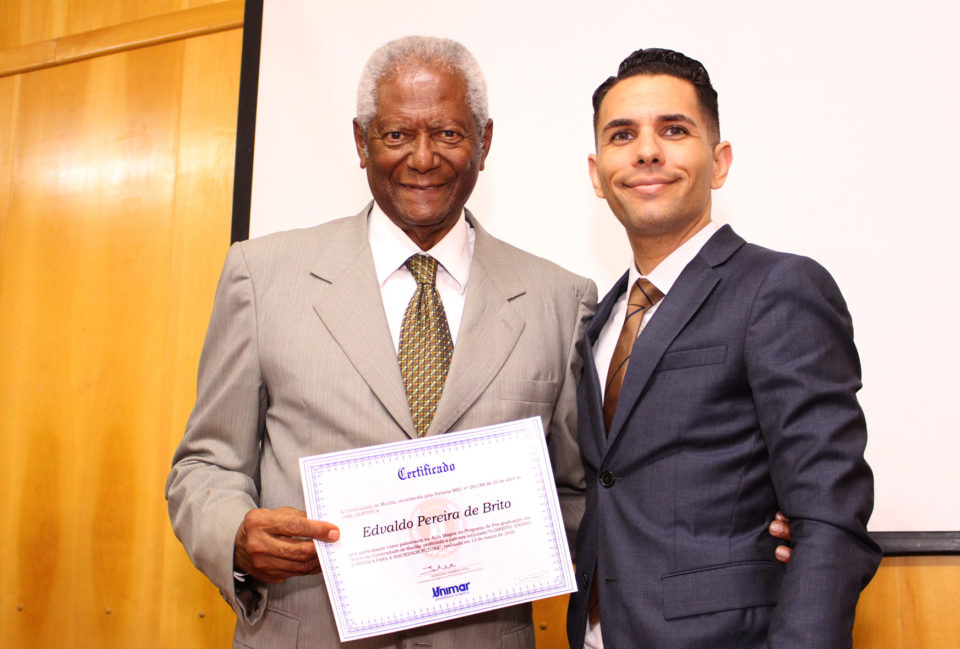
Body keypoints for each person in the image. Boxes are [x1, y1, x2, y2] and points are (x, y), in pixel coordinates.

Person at [165, 36, 596, 648]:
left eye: (448, 133)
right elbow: (205, 464)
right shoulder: (261, 276)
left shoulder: (561, 300)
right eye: (396, 135)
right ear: (361, 143)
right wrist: (233, 532)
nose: (423, 159)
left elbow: (578, 492)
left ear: (485, 141)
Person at [566, 48, 881, 649]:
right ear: (597, 172)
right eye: (622, 134)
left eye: (674, 130)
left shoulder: (779, 288)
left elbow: (831, 516)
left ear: (719, 161)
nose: (647, 150)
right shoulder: (602, 319)